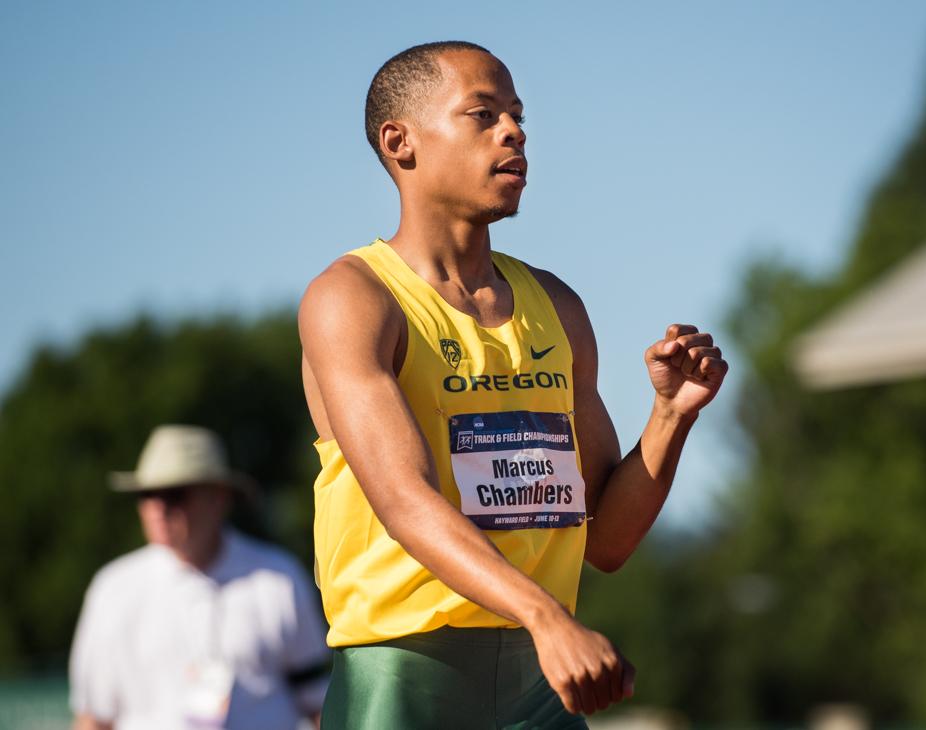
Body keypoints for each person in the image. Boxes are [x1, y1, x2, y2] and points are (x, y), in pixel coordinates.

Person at [299, 41, 728, 729]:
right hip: (407, 680)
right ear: (399, 142)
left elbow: (607, 542)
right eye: (483, 114)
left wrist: (671, 416)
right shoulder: (353, 298)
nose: (515, 132)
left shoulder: (556, 306)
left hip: (540, 683)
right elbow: (404, 500)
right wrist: (544, 614)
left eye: (518, 116)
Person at [69, 424, 331, 730]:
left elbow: (318, 704)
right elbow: (93, 719)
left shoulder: (278, 579)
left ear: (218, 497)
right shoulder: (111, 590)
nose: (157, 508)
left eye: (173, 494)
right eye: (146, 493)